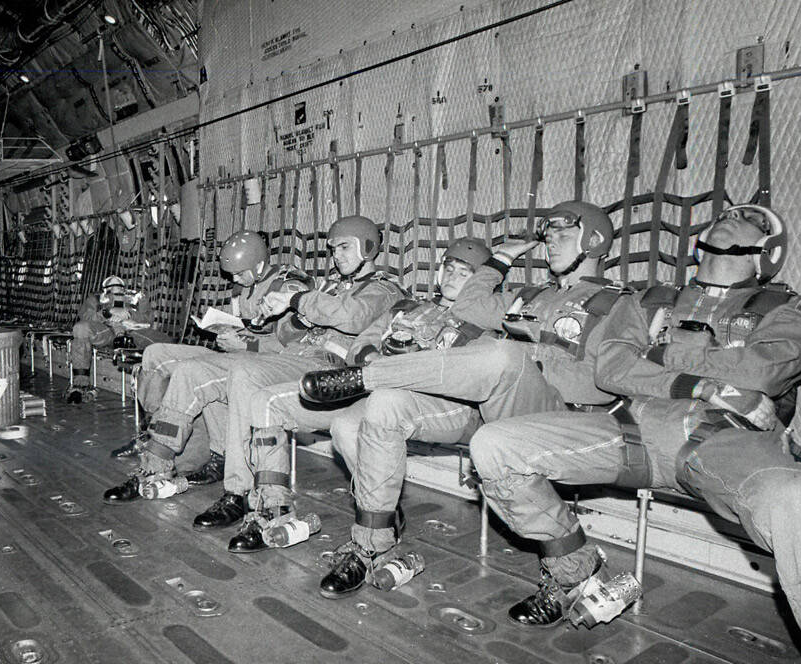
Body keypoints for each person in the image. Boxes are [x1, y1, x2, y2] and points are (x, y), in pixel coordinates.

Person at [464, 205, 801, 664]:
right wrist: (702, 383)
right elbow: (612, 368)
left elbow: (763, 371)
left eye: (753, 221)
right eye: (728, 213)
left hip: (723, 441)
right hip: (630, 429)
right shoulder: (653, 297)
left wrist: (659, 352)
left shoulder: (790, 309)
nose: (734, 216)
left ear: (767, 250)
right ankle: (576, 569)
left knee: (797, 501)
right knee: (495, 446)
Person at [297, 201, 641, 577]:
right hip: (503, 402)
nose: (550, 245)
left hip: (559, 411)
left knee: (503, 353)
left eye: (563, 235)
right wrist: (500, 261)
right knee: (386, 404)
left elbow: (605, 380)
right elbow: (471, 307)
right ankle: (371, 542)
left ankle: (369, 375)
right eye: (548, 236)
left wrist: (534, 362)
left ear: (592, 241)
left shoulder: (619, 302)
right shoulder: (531, 297)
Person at [233, 238, 491, 590]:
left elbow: (467, 378)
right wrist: (375, 361)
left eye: (464, 273)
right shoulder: (408, 308)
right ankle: (273, 510)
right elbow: (360, 343)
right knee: (289, 409)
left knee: (360, 421)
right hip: (379, 388)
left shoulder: (482, 325)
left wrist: (403, 369)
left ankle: (374, 540)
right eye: (449, 268)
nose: (452, 276)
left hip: (439, 404)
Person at [192, 216, 406, 550]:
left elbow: (352, 316)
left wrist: (298, 301)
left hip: (332, 369)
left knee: (246, 374)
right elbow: (292, 331)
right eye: (333, 249)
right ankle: (253, 498)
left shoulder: (384, 288)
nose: (337, 256)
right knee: (247, 382)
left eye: (345, 247)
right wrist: (287, 317)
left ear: (368, 247)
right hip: (301, 357)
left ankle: (243, 493)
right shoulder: (332, 287)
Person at [103, 231, 311, 502]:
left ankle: (160, 462)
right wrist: (224, 331)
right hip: (235, 352)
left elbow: (294, 346)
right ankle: (155, 432)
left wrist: (245, 346)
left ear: (259, 264)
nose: (233, 279)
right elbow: (247, 326)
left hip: (261, 361)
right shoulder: (242, 287)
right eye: (231, 274)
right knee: (154, 354)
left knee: (190, 373)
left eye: (239, 273)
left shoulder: (288, 285)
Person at [67, 275, 170, 404]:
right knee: (80, 329)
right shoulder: (95, 298)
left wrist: (127, 313)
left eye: (119, 286)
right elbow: (85, 316)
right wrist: (107, 312)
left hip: (131, 331)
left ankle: (151, 392)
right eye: (111, 287)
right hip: (106, 330)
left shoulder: (137, 297)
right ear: (105, 289)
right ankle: (80, 385)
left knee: (162, 343)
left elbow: (147, 319)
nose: (115, 289)